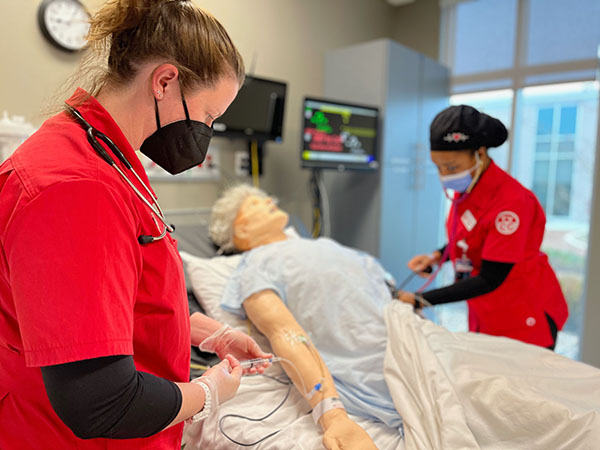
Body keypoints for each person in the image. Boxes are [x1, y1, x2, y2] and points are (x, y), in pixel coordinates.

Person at [0, 1, 270, 448]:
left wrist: (207, 332)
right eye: (208, 117)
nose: (206, 132)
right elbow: (101, 401)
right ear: (165, 81)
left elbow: (107, 301)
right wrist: (208, 394)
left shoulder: (108, 156)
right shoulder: (74, 186)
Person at [209, 184, 395, 450]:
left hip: (404, 335)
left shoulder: (325, 245)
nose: (269, 200)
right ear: (241, 231)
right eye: (254, 204)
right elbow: (284, 332)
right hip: (366, 359)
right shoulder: (256, 265)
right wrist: (333, 416)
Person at [397, 104, 568, 349]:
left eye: (452, 167)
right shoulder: (468, 190)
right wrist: (436, 256)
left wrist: (421, 299)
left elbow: (491, 277)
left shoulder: (512, 203)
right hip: (486, 310)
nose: (444, 174)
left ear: (480, 153)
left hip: (521, 314)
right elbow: (470, 237)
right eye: (438, 166)